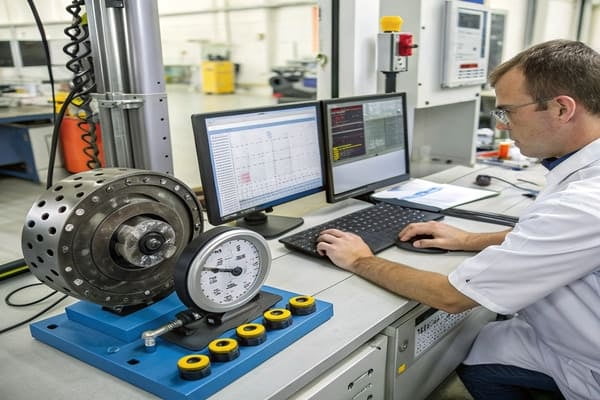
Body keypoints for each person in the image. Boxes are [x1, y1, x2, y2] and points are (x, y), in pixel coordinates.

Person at [316, 39, 600, 400]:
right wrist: (468, 240)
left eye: (508, 112)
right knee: (484, 346)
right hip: (579, 336)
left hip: (589, 364)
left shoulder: (581, 204)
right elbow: (552, 239)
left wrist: (360, 259)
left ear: (562, 109)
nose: (503, 127)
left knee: (477, 349)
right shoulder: (583, 178)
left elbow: (452, 297)